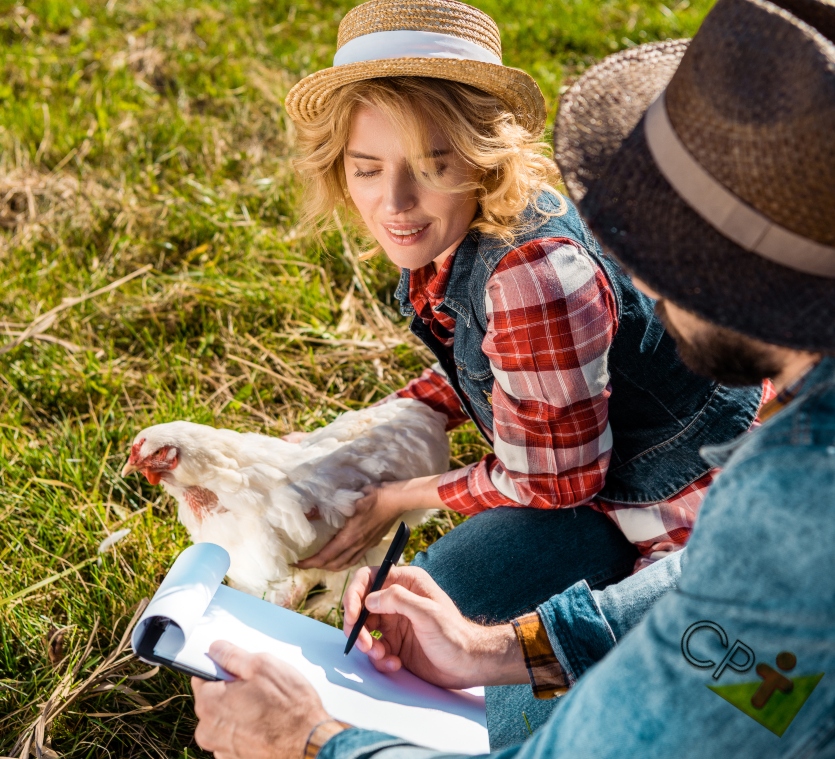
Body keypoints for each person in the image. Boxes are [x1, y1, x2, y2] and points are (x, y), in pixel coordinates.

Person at [190, 0, 835, 756]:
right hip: (723, 620)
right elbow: (740, 649)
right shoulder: (791, 473)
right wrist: (501, 651)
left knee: (506, 718)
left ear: (741, 269)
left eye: (658, 238)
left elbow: (725, 678)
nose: (628, 276)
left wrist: (315, 739)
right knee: (424, 639)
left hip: (639, 522)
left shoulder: (793, 504)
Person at [286, 0, 761, 622]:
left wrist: (398, 497)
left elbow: (553, 483)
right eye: (368, 169)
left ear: (484, 156)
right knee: (407, 609)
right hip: (590, 489)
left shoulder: (533, 276)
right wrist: (355, 433)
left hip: (683, 508)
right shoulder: (461, 231)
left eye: (434, 165)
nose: (394, 202)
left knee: (554, 683)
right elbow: (498, 361)